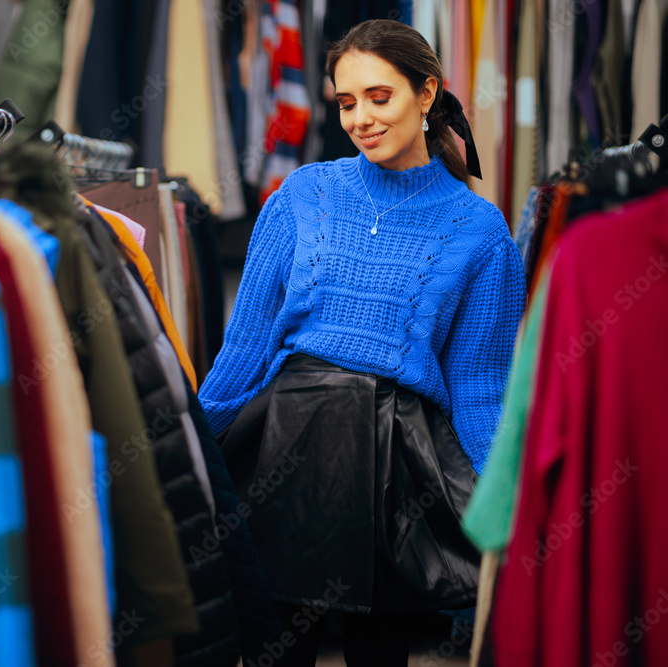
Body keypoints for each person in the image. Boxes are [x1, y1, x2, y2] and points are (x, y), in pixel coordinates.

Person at [198, 19, 526, 667]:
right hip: (283, 451)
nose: (361, 119)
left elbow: (482, 390)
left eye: (380, 97)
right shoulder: (301, 194)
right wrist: (182, 453)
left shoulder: (482, 231)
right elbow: (243, 352)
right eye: (347, 103)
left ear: (426, 93)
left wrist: (509, 510)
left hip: (396, 471)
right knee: (273, 649)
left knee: (381, 655)